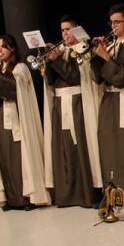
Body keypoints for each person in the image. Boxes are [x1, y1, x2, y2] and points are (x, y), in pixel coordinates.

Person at [0, 35, 50, 209]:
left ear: (12, 48)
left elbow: (14, 89)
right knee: (4, 157)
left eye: (3, 47)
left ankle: (25, 198)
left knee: (19, 158)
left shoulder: (20, 67)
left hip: (16, 118)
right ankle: (9, 197)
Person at [41, 15, 102, 208]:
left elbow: (74, 76)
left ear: (76, 30)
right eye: (62, 30)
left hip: (77, 102)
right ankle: (67, 194)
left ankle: (87, 194)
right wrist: (49, 61)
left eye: (68, 29)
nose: (65, 34)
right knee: (64, 148)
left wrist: (56, 59)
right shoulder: (60, 51)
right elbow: (51, 81)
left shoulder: (83, 49)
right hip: (60, 103)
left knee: (80, 147)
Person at [89, 5, 124, 203]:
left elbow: (123, 78)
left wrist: (106, 57)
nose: (113, 26)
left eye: (117, 22)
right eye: (111, 22)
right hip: (109, 101)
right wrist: (96, 57)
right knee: (109, 146)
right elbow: (98, 78)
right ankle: (112, 193)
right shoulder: (111, 46)